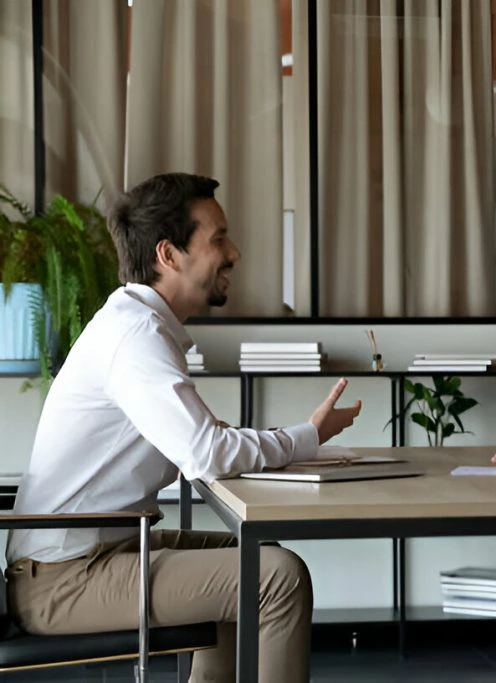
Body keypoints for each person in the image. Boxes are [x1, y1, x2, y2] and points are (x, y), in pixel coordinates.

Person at [6, 173, 362, 683]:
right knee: (276, 578)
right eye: (217, 238)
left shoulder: (139, 327)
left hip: (95, 557)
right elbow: (207, 451)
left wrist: (300, 439)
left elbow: (203, 438)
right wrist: (306, 436)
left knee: (259, 560)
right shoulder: (136, 336)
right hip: (65, 579)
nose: (233, 252)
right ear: (168, 255)